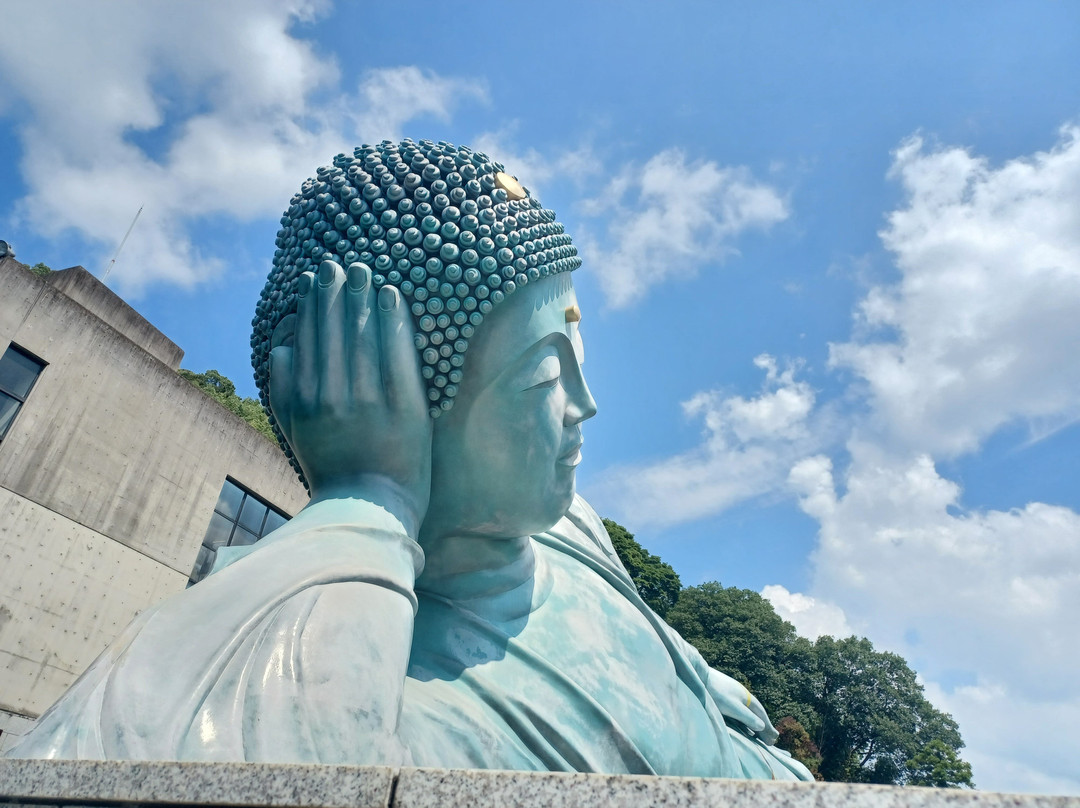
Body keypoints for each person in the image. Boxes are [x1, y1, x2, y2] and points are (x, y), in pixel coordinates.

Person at [8, 140, 811, 780]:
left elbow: (696, 702)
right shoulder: (364, 676)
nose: (586, 405)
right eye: (544, 377)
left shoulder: (573, 531)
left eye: (579, 362)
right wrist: (366, 498)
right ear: (392, 408)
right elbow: (170, 760)